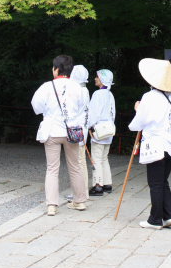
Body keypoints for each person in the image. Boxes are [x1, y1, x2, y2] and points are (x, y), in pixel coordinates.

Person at [31, 54, 88, 216]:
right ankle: (80, 201)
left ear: (56, 69)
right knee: (75, 166)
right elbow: (80, 109)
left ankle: (52, 205)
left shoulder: (46, 87)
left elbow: (36, 107)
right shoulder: (78, 88)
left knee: (52, 168)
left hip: (52, 131)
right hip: (71, 132)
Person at [128, 58, 171, 229]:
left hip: (157, 144)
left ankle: (155, 219)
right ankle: (168, 215)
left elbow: (140, 122)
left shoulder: (149, 97)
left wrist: (137, 109)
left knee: (156, 182)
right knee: (162, 180)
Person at [88, 69, 115, 196]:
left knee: (96, 159)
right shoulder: (110, 94)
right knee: (104, 158)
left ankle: (98, 185)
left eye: (97, 77)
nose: (95, 78)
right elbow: (112, 113)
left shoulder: (97, 94)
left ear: (102, 79)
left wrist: (89, 126)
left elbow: (93, 114)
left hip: (98, 130)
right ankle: (107, 184)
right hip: (109, 129)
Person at [70, 64, 90, 198]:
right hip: (83, 128)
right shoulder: (85, 90)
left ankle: (80, 193)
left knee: (78, 162)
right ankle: (82, 192)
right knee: (80, 161)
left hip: (77, 129)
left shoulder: (77, 91)